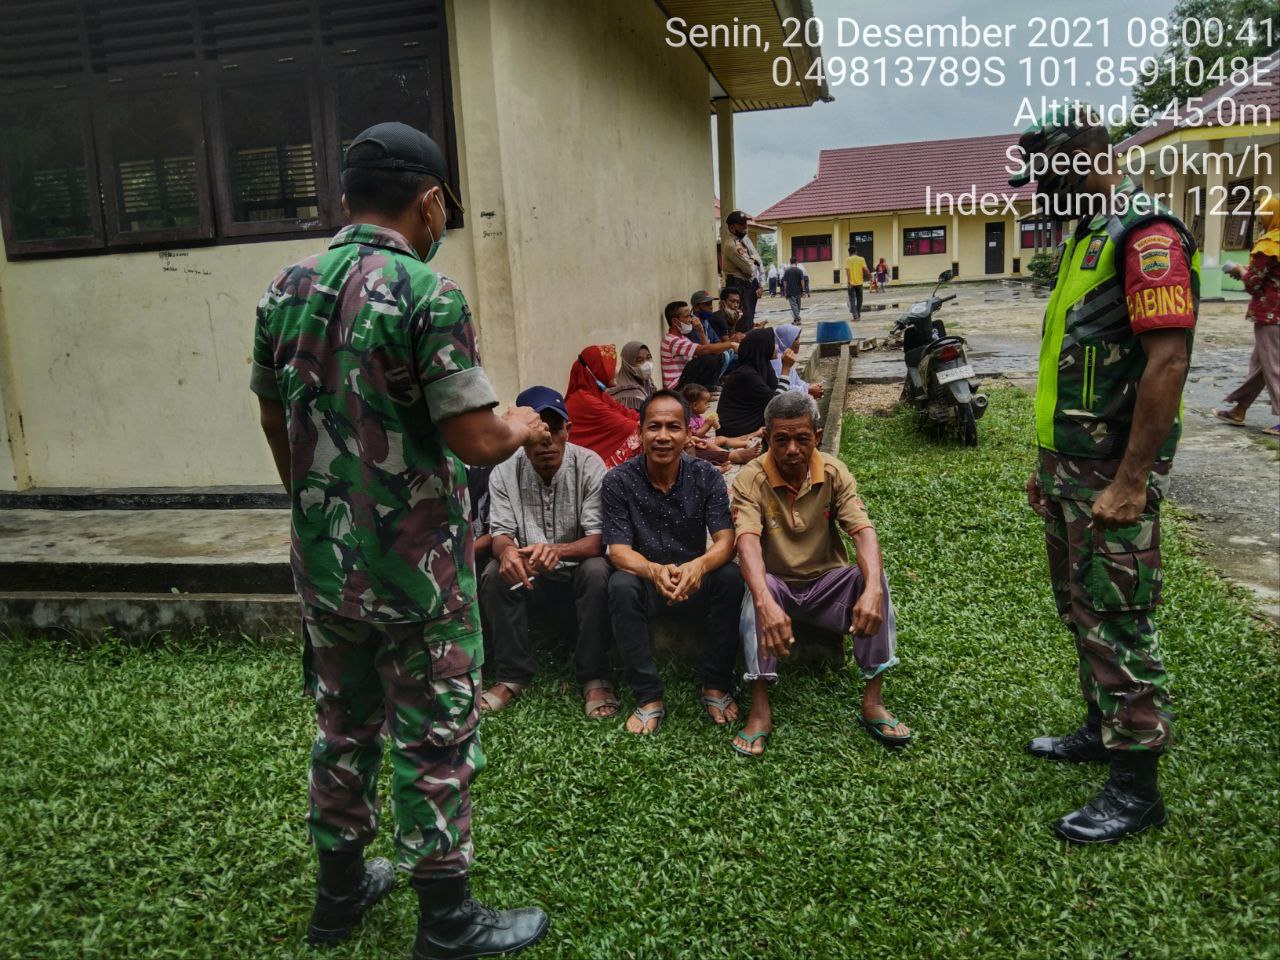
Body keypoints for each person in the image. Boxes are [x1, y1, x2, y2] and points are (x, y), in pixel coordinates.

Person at [251, 122, 548, 957]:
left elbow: (273, 413)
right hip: (419, 577)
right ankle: (447, 923)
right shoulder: (429, 293)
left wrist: (313, 503)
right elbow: (475, 441)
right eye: (443, 208)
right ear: (429, 201)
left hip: (325, 564)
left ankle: (337, 902)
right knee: (435, 735)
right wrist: (522, 422)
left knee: (342, 727)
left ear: (345, 199)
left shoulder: (283, 288)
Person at [1009, 106, 1199, 844]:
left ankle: (1135, 788)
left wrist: (1130, 480)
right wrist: (1045, 466)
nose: (1043, 194)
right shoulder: (1085, 236)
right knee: (1080, 610)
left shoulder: (1145, 235)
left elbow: (1169, 361)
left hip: (1110, 475)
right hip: (1068, 470)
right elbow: (1074, 360)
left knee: (1118, 621)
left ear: (1089, 158)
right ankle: (1100, 728)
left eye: (1051, 176)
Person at [730, 392, 909, 757]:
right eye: (781, 439)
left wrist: (873, 587)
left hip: (826, 584)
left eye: (802, 438)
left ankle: (873, 701)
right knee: (755, 589)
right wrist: (765, 600)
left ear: (818, 434)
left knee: (872, 579)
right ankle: (760, 708)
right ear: (767, 437)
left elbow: (863, 531)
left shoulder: (833, 471)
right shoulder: (750, 479)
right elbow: (746, 543)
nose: (792, 449)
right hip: (777, 585)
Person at [603, 390, 746, 735]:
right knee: (619, 584)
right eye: (654, 427)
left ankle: (715, 683)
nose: (663, 436)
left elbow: (726, 541)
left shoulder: (706, 476)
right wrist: (652, 570)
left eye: (673, 427)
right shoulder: (618, 481)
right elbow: (618, 550)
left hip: (694, 579)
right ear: (640, 433)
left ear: (687, 434)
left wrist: (698, 566)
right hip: (647, 580)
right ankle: (648, 695)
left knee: (730, 577)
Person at [478, 386, 616, 719]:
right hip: (529, 577)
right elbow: (500, 532)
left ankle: (593, 675)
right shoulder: (504, 471)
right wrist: (508, 552)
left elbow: (598, 539)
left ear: (568, 430)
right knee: (495, 571)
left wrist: (557, 549)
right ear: (520, 436)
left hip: (577, 573)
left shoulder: (589, 465)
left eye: (555, 429)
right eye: (537, 432)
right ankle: (513, 675)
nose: (546, 441)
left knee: (598, 570)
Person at [1215, 194, 1280, 437]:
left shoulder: (1268, 246)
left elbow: (1254, 284)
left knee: (1272, 366)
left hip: (1270, 315)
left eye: (1263, 213)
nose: (1260, 218)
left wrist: (1239, 270)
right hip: (1277, 314)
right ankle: (1239, 409)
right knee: (1261, 366)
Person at [564, 344, 641, 469]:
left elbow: (625, 412)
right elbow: (628, 427)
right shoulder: (585, 400)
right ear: (596, 369)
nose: (615, 371)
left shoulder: (597, 394)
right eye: (610, 366)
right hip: (586, 468)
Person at [717, 327, 789, 438]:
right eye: (773, 343)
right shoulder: (746, 374)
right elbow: (776, 401)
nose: (776, 347)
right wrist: (785, 370)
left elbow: (776, 390)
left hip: (751, 422)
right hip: (736, 431)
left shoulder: (762, 365)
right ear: (763, 347)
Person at [660, 300, 738, 390]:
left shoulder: (683, 338)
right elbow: (704, 350)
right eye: (687, 317)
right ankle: (706, 390)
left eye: (690, 316)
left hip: (684, 380)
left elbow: (708, 351)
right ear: (675, 321)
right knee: (709, 357)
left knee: (714, 356)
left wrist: (700, 330)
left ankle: (707, 389)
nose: (691, 320)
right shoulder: (672, 340)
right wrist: (731, 344)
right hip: (676, 387)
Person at [722, 210, 762, 325]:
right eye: (741, 224)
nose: (745, 226)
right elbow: (750, 268)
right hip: (737, 285)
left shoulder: (744, 241)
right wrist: (753, 261)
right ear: (732, 228)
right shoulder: (732, 245)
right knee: (739, 320)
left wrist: (753, 261)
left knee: (748, 318)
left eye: (745, 223)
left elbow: (758, 262)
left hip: (747, 284)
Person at [690, 289, 734, 383]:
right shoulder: (692, 325)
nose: (711, 307)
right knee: (723, 355)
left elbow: (718, 341)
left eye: (711, 304)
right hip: (700, 362)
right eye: (707, 304)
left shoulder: (706, 321)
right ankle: (712, 383)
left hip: (711, 355)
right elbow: (704, 350)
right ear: (696, 307)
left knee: (730, 352)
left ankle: (719, 379)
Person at [772, 323, 825, 400]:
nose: (799, 342)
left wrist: (810, 387)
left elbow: (796, 381)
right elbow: (782, 388)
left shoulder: (786, 357)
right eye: (796, 339)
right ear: (785, 340)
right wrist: (808, 390)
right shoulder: (776, 361)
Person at [608, 341, 657, 412]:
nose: (647, 364)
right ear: (627, 365)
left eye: (648, 357)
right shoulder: (631, 395)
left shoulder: (648, 382)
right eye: (639, 360)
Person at [845, 246, 870, 320]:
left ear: (849, 252)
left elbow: (848, 271)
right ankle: (858, 314)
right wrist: (870, 275)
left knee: (852, 299)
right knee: (860, 299)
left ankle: (855, 315)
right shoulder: (861, 259)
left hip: (851, 283)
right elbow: (866, 269)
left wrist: (849, 281)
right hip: (859, 282)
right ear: (856, 251)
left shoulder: (848, 259)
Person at [781, 257, 806, 322]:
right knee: (798, 306)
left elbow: (785, 282)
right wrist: (803, 290)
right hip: (798, 291)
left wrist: (785, 291)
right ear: (796, 262)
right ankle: (797, 318)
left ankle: (796, 318)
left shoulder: (787, 271)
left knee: (794, 306)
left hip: (790, 291)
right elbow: (802, 281)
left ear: (790, 262)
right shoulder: (800, 271)